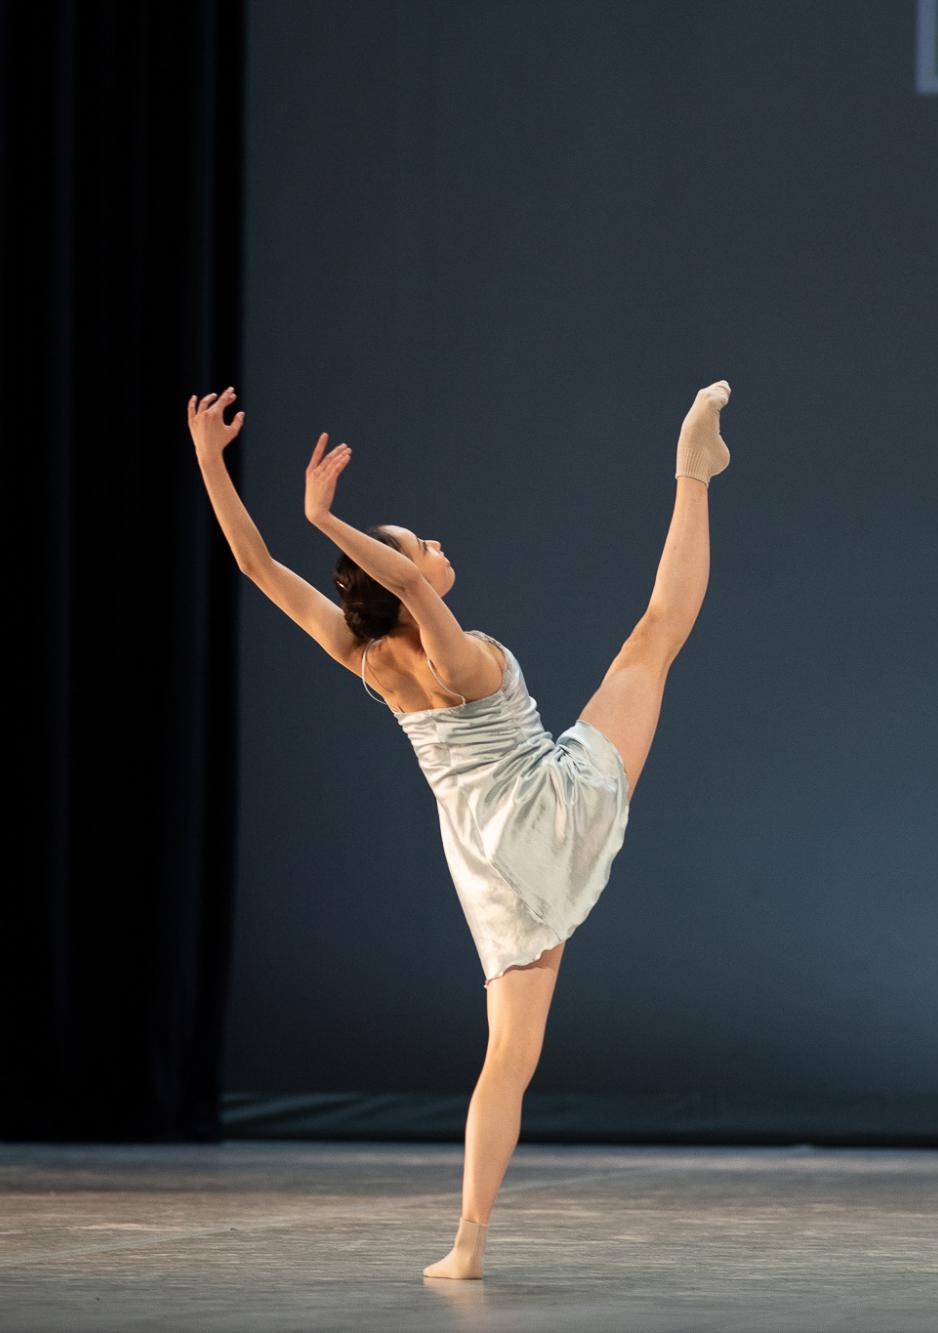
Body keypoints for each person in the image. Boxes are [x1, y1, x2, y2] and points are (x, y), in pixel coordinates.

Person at [188, 378, 732, 1279]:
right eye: (421, 547)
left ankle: (467, 1243)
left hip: (486, 861)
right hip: (547, 811)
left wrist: (211, 463)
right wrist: (323, 519)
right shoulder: (454, 652)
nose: (434, 547)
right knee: (653, 636)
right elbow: (387, 574)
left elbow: (254, 566)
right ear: (405, 587)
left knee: (507, 1059)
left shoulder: (364, 653)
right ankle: (693, 470)